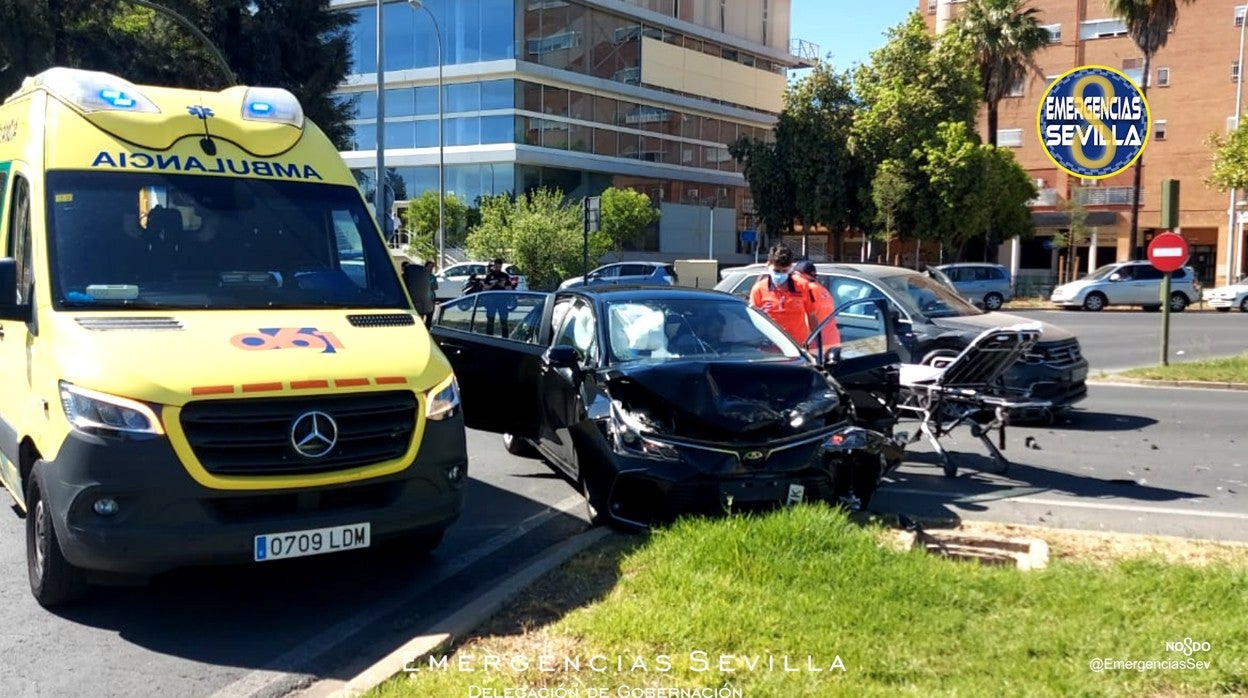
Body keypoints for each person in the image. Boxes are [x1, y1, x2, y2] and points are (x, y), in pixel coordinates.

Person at [748, 244, 819, 343]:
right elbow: (753, 320)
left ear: (790, 268)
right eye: (776, 270)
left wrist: (817, 343)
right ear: (768, 265)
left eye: (784, 271)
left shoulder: (803, 287)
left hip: (797, 346)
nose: (780, 274)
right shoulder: (759, 289)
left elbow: (812, 316)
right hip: (769, 347)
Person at [793, 260, 840, 353]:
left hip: (816, 343)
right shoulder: (822, 289)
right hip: (832, 340)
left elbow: (807, 319)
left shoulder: (806, 290)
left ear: (798, 275)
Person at [482, 258, 512, 337]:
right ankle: (489, 339)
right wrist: (493, 284)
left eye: (499, 266)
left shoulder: (505, 276)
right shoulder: (489, 275)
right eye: (496, 266)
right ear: (494, 265)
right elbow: (485, 288)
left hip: (502, 301)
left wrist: (503, 285)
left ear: (501, 266)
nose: (497, 268)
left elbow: (510, 289)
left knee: (504, 320)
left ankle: (505, 339)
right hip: (491, 301)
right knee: (490, 321)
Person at [423, 260, 438, 326]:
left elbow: (436, 287)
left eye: (432, 267)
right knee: (421, 315)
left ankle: (428, 329)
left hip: (431, 298)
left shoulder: (433, 277)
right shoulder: (421, 276)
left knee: (430, 315)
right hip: (423, 298)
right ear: (425, 267)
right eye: (429, 267)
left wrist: (429, 286)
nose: (430, 269)